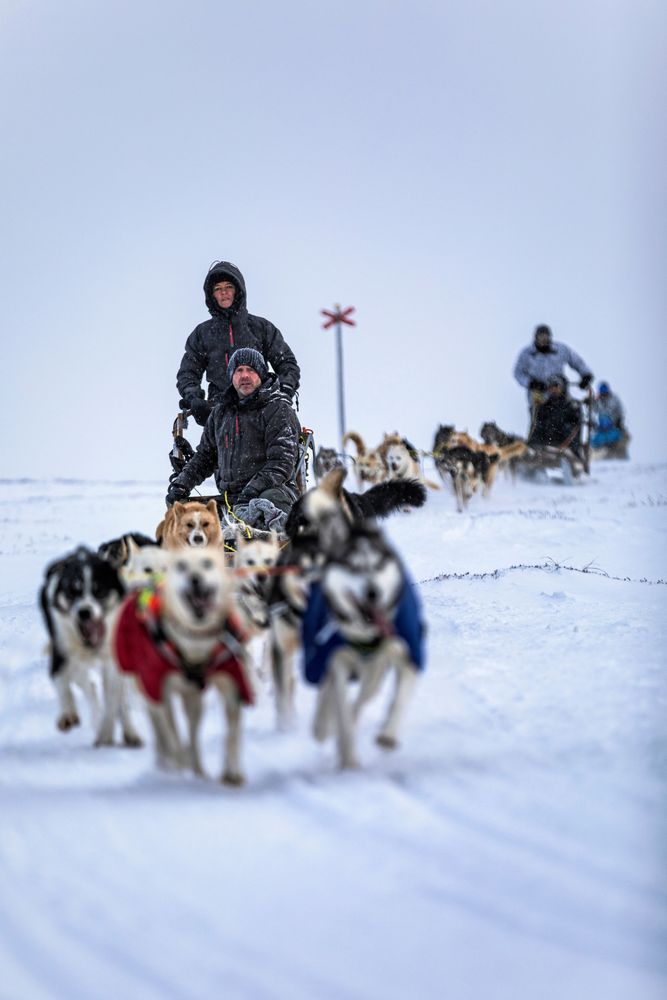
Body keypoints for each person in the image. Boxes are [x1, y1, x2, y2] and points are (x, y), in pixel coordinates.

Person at [166, 348, 301, 532]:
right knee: (186, 517)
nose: (245, 375)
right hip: (232, 498)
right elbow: (205, 457)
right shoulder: (220, 413)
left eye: (251, 370)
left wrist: (251, 492)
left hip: (273, 493)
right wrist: (181, 484)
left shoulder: (278, 409)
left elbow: (280, 464)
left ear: (261, 374)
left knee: (267, 503)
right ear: (231, 376)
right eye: (239, 370)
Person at [177, 261, 301, 426]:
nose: (224, 292)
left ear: (238, 290)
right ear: (211, 295)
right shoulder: (202, 334)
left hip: (261, 411)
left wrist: (284, 392)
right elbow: (188, 373)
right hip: (220, 414)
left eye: (228, 286)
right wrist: (194, 400)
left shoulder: (261, 328)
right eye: (217, 289)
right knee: (209, 452)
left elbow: (286, 363)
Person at [513, 324, 594, 401]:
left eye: (546, 337)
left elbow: (577, 362)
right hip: (539, 398)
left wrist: (586, 375)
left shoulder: (560, 350)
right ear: (535, 338)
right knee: (542, 412)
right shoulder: (527, 354)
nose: (543, 340)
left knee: (573, 409)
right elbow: (518, 373)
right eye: (540, 337)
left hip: (560, 395)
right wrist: (531, 383)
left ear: (550, 337)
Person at [527, 374, 583, 457]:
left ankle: (573, 454)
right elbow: (537, 418)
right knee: (538, 426)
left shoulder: (571, 404)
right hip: (548, 438)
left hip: (564, 439)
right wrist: (535, 406)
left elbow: (577, 423)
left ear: (562, 387)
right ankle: (531, 450)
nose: (553, 389)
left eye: (556, 386)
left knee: (569, 427)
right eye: (551, 387)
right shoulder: (545, 405)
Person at [591, 382, 626, 449]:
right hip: (602, 427)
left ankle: (612, 443)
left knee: (616, 436)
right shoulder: (598, 400)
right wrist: (591, 402)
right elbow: (594, 410)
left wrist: (619, 421)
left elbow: (621, 411)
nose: (604, 396)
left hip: (613, 424)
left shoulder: (615, 399)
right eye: (602, 394)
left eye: (605, 394)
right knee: (594, 441)